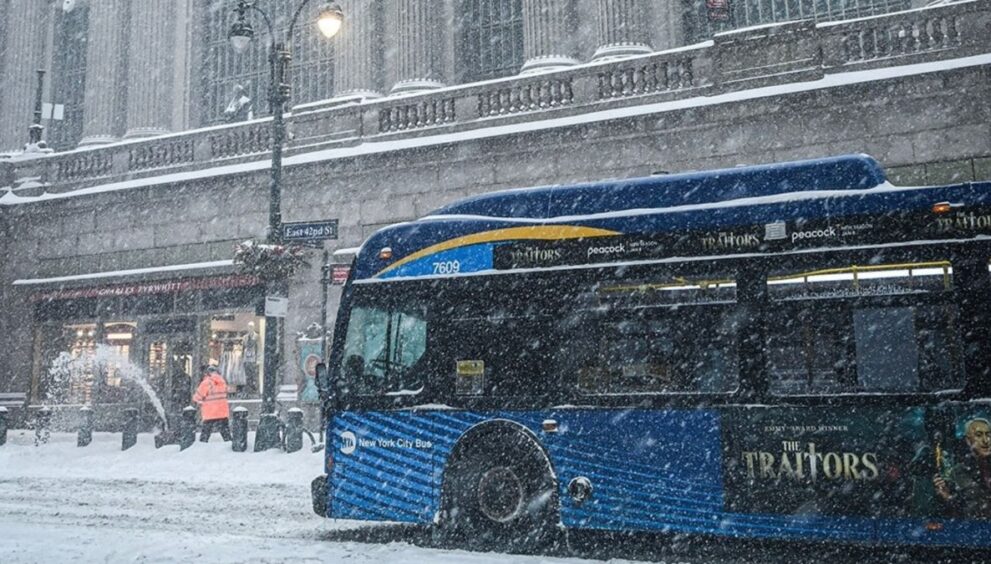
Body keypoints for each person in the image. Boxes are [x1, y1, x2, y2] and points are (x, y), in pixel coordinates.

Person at [933, 417, 991, 519]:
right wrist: (947, 497)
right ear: (968, 440)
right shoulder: (957, 472)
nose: (986, 440)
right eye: (979, 435)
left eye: (988, 434)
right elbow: (960, 510)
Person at [193, 365, 231, 442]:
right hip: (222, 411)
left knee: (205, 433)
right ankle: (230, 445)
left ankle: (202, 447)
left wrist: (200, 402)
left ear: (207, 373)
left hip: (210, 411)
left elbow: (197, 397)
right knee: (225, 433)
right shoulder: (223, 382)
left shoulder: (207, 382)